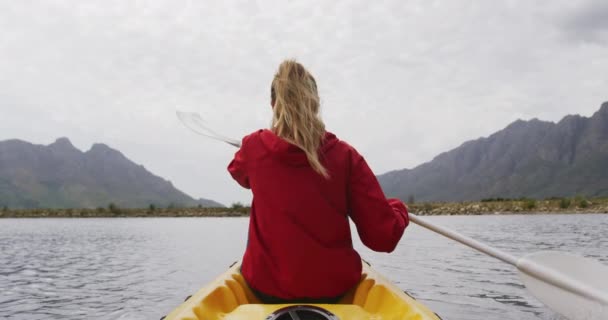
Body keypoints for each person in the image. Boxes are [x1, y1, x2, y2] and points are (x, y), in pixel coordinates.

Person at [228, 60, 409, 304]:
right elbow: (383, 237)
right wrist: (398, 209)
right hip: (333, 290)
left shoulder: (253, 147)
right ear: (315, 104)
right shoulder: (345, 157)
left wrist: (255, 154)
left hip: (265, 288)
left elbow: (238, 172)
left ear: (273, 105)